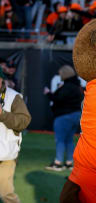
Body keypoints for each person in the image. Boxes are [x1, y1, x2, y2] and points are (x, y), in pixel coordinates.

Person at [0, 68, 31, 203]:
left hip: (6, 154)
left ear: (2, 79)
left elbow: (24, 121)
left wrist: (2, 115)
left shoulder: (13, 96)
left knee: (6, 193)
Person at [44, 65, 83, 171]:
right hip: (76, 115)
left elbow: (58, 99)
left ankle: (58, 163)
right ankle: (69, 162)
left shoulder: (67, 87)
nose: (60, 75)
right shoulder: (77, 86)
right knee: (69, 140)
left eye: (61, 73)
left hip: (64, 116)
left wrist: (48, 94)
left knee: (60, 140)